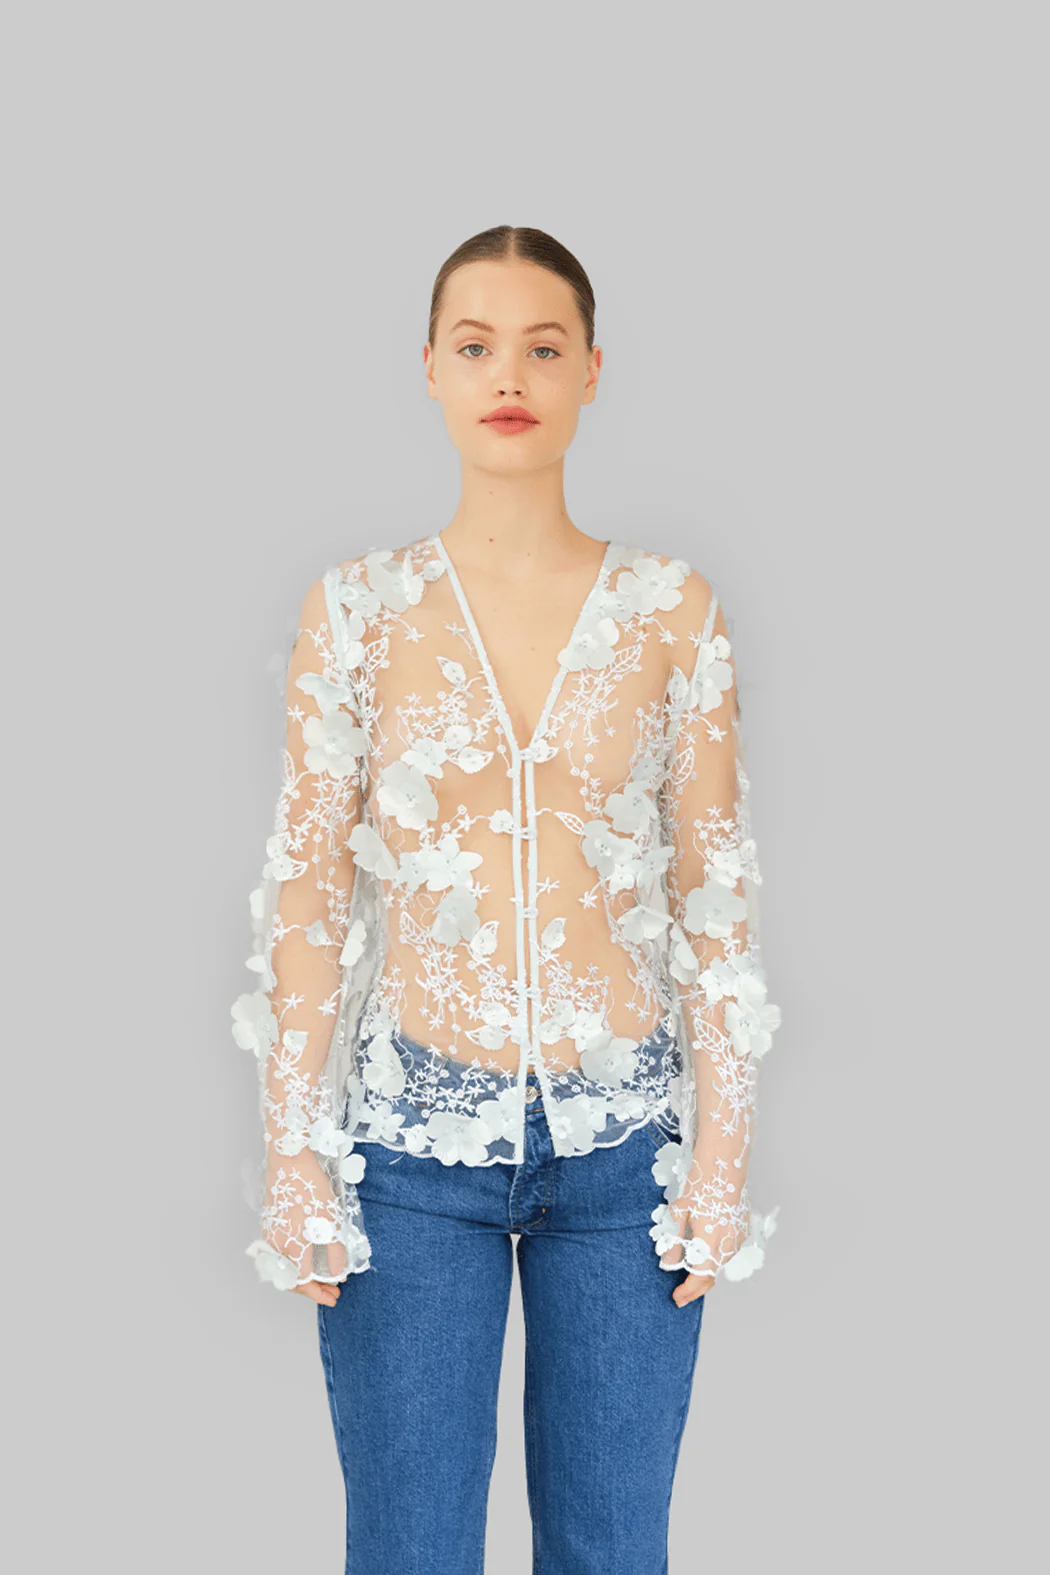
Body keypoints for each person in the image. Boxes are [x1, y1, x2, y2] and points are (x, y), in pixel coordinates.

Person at [231, 224, 782, 1573]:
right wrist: (294, 1151)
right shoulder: (358, 610)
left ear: (591, 370)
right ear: (429, 367)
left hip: (625, 1151)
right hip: (409, 1147)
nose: (509, 376)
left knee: (612, 1548)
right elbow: (307, 890)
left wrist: (720, 1158)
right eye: (475, 346)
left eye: (543, 347)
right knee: (409, 1546)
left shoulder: (672, 610)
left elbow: (713, 891)